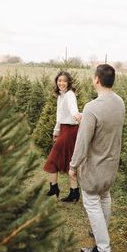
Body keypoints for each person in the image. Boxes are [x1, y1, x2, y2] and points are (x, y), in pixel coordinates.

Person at [69, 64, 125, 252]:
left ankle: (103, 249)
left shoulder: (92, 107)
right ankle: (99, 231)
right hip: (111, 163)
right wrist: (87, 120)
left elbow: (83, 142)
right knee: (105, 196)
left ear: (96, 80)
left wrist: (73, 166)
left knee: (92, 201)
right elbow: (107, 125)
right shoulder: (120, 102)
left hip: (95, 165)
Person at [43, 71, 81, 202]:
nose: (61, 83)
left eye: (64, 81)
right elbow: (59, 116)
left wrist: (76, 115)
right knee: (69, 161)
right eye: (59, 81)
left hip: (69, 131)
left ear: (69, 82)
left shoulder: (69, 95)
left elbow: (73, 108)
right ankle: (73, 192)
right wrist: (56, 131)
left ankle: (55, 188)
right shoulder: (61, 95)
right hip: (64, 129)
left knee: (53, 160)